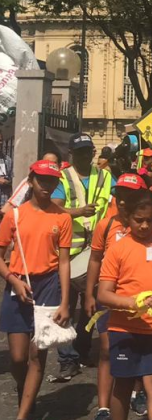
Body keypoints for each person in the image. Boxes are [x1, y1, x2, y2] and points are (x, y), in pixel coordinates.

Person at [97, 189, 152, 420]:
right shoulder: (117, 249)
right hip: (123, 329)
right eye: (139, 220)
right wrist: (131, 303)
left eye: (150, 220)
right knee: (123, 386)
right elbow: (103, 294)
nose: (144, 226)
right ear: (127, 217)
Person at [0, 160, 72, 420]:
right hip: (17, 284)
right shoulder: (15, 214)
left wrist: (65, 302)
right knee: (18, 359)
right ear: (31, 181)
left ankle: (23, 414)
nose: (46, 186)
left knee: (37, 355)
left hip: (48, 286)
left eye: (52, 181)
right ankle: (25, 390)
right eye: (42, 180)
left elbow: (64, 262)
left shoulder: (62, 217)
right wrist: (13, 279)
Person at [86, 173, 152, 419]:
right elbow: (94, 259)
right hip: (110, 299)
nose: (122, 199)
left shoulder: (149, 224)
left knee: (138, 348)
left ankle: (136, 393)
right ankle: (104, 406)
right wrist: (89, 293)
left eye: (128, 194)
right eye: (120, 194)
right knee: (106, 349)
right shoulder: (105, 225)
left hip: (144, 303)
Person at [53, 133, 115, 381]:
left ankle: (81, 349)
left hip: (96, 252)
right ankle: (67, 359)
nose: (85, 155)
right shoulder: (63, 177)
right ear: (72, 153)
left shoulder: (105, 175)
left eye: (88, 151)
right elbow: (54, 206)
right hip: (68, 251)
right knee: (64, 307)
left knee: (91, 305)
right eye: (80, 151)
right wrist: (78, 211)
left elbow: (117, 201)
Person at [2, 150, 61, 215]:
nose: (49, 166)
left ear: (60, 165)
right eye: (45, 162)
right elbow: (9, 208)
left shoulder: (65, 179)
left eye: (53, 163)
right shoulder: (31, 180)